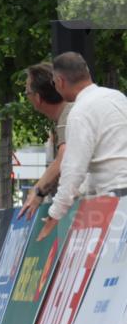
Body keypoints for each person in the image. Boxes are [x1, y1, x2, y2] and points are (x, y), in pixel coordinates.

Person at [39, 52, 127, 240]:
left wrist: (55, 214)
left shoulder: (80, 112)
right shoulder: (117, 97)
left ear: (60, 81)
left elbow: (74, 170)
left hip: (112, 200)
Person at [19, 62, 72, 218]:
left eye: (27, 92)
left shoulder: (69, 115)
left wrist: (38, 191)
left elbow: (64, 158)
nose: (27, 96)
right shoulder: (70, 111)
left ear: (37, 98)